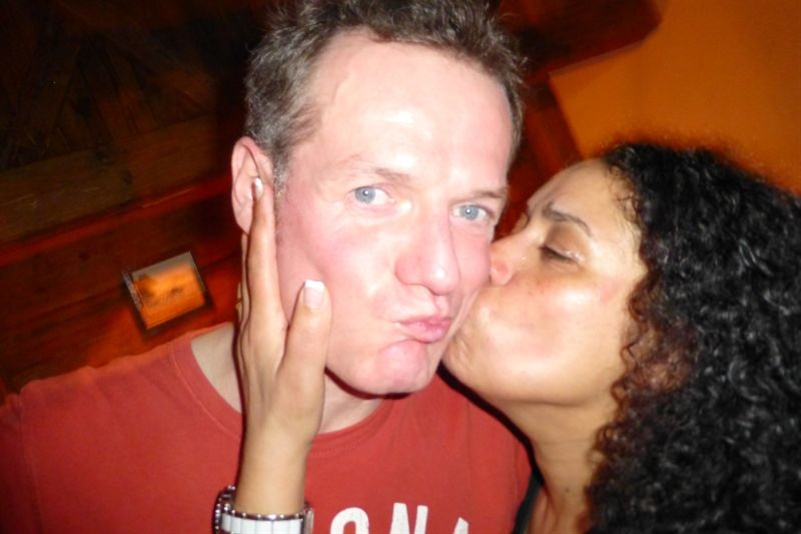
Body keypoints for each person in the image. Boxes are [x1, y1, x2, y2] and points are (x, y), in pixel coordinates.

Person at [0, 1, 533, 532]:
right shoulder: (44, 454)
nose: (442, 274)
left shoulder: (513, 427)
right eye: (371, 194)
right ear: (254, 189)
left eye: (471, 211)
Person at [234, 142, 800, 533]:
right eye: (513, 225)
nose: (484, 259)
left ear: (670, 354)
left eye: (556, 252)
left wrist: (276, 446)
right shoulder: (511, 481)